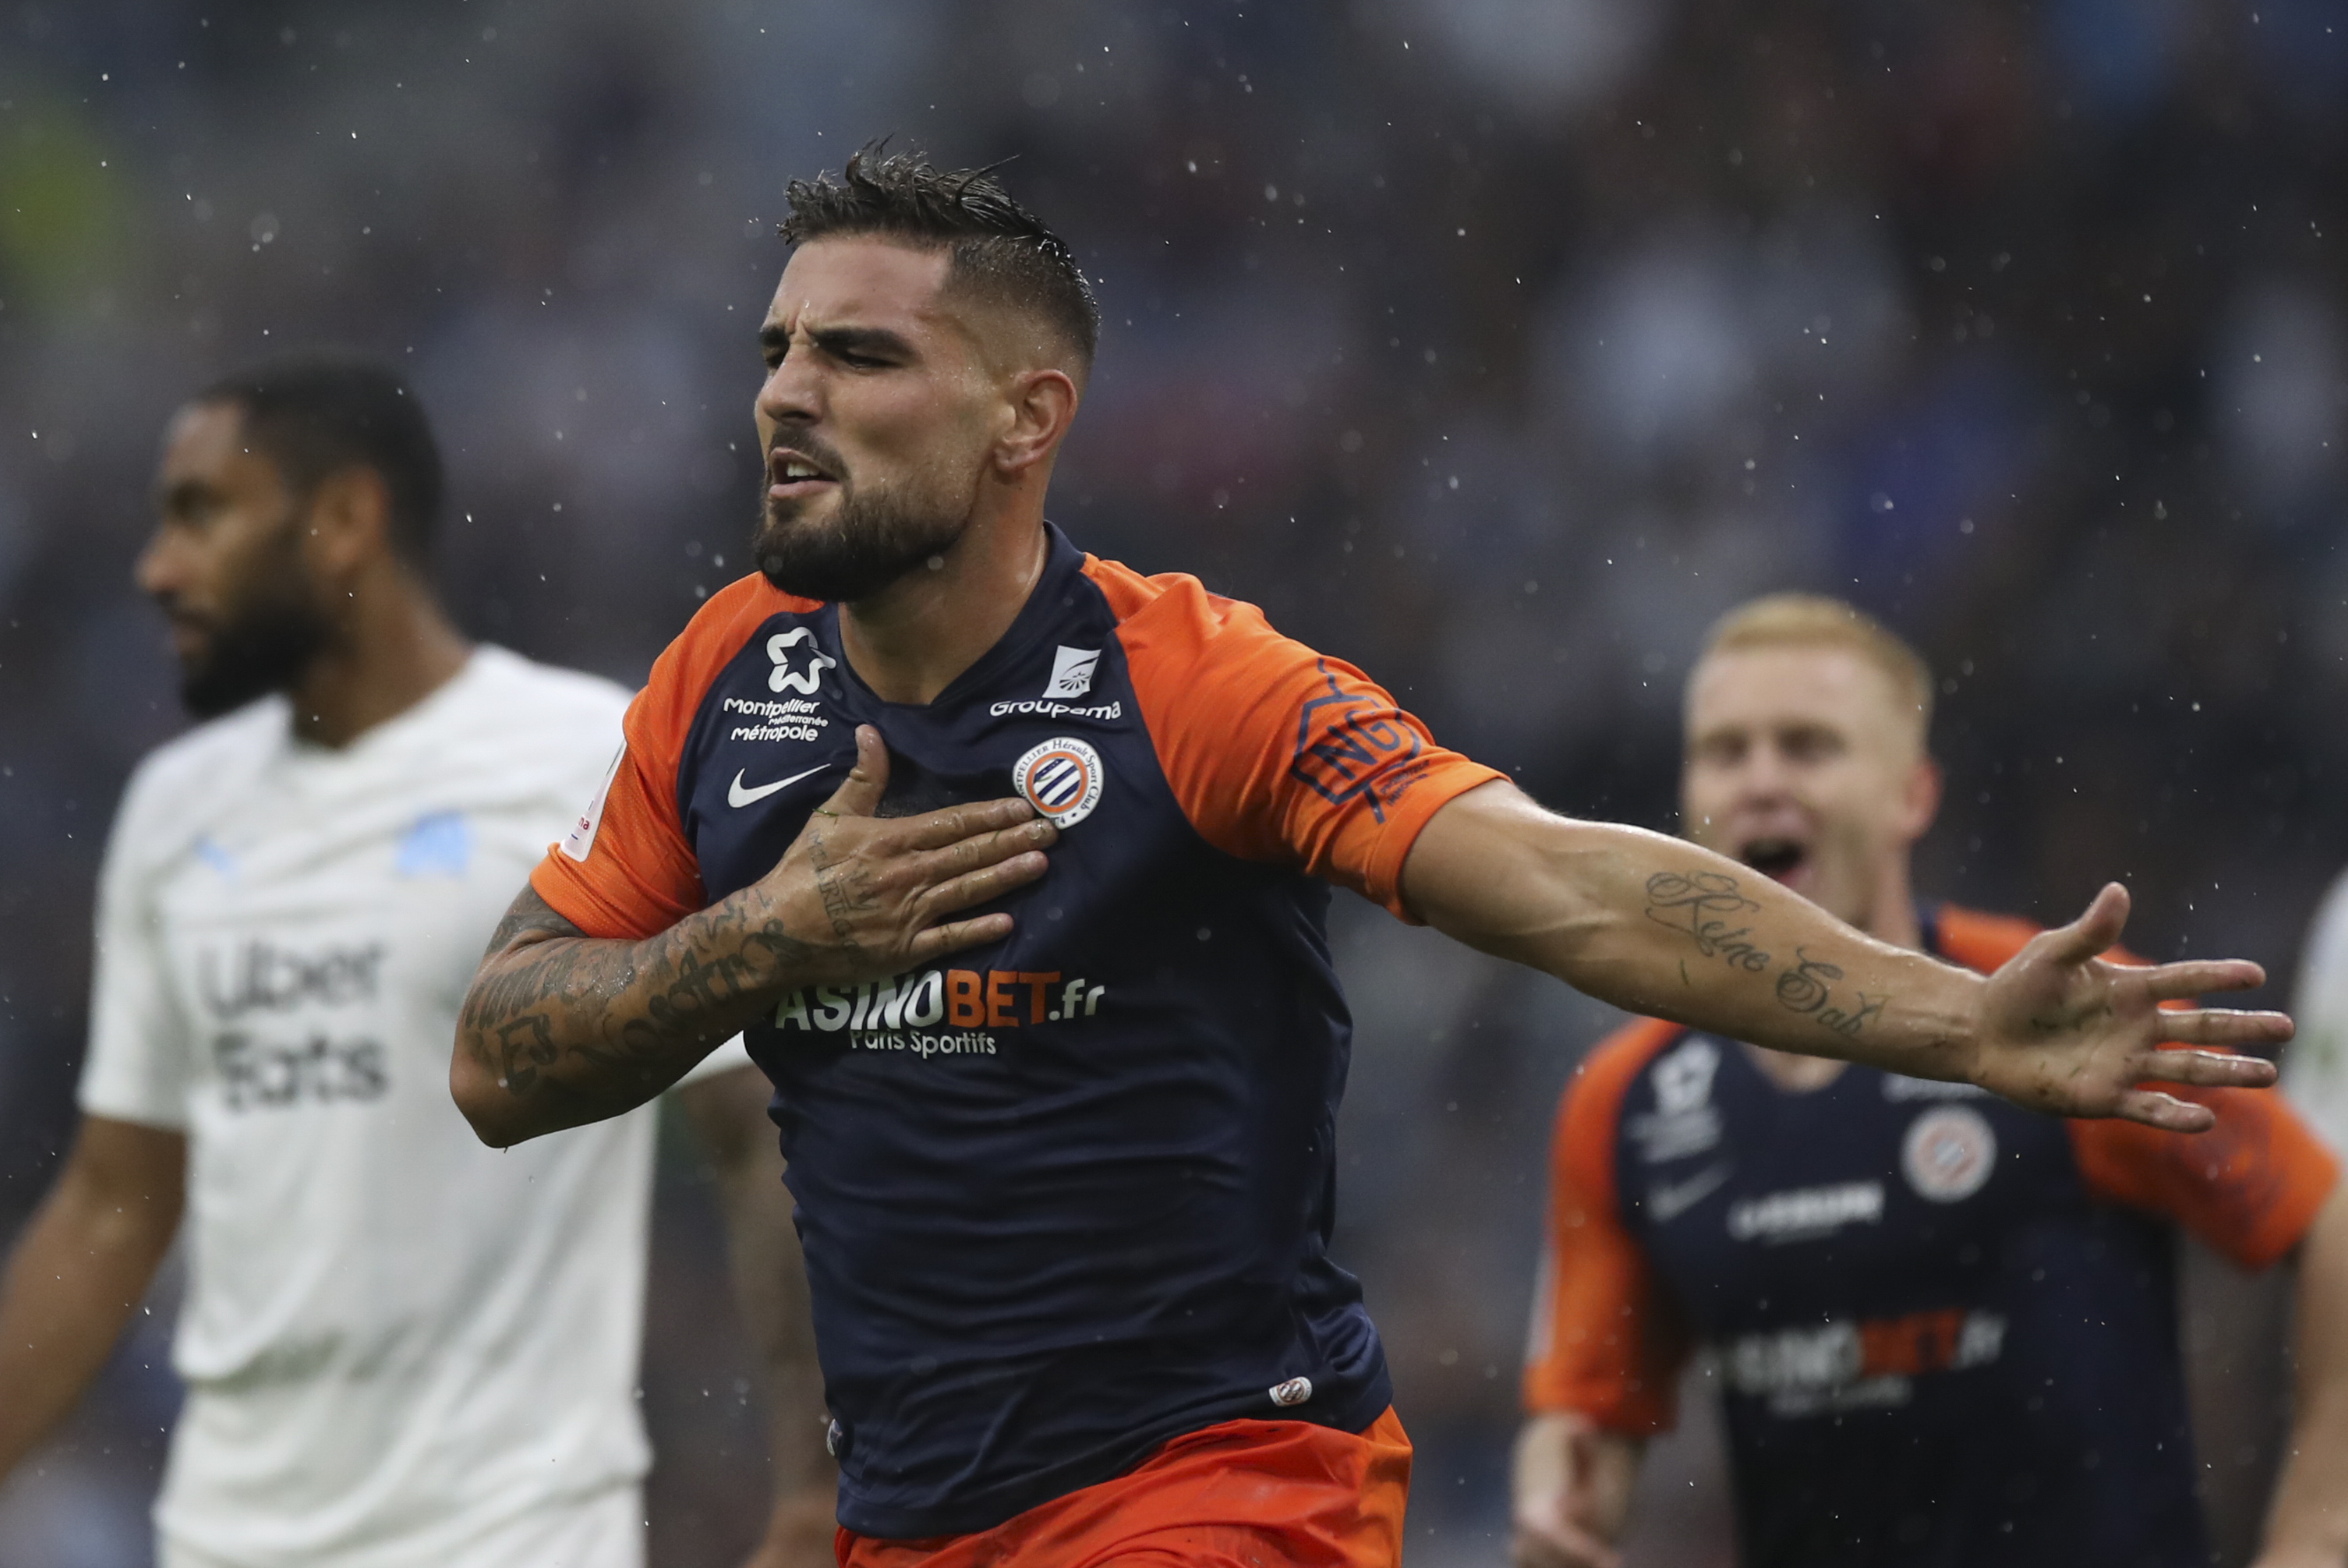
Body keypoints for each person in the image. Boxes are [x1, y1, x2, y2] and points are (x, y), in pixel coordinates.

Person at [449, 149, 2286, 1568]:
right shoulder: (727, 678)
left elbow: (1570, 882)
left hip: (1217, 1487)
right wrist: (763, 941)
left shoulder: (1197, 686)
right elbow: (500, 1056)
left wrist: (1960, 1024)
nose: (786, 391)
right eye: (774, 349)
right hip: (911, 1516)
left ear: (1027, 419)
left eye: (859, 354)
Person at [0, 356, 836, 1568]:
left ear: (342, 521)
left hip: (509, 1536)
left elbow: (751, 1131)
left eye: (201, 514)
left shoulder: (583, 756)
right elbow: (113, 1201)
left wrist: (816, 1492)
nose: (158, 568)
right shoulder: (178, 812)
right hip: (224, 1540)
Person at [1511, 593, 2348, 1568]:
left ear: (1912, 793)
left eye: (1808, 746)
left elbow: (2328, 1218)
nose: (1762, 782)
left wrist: (2318, 1532)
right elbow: (1584, 1416)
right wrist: (1556, 1501)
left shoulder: (2058, 1018)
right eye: (1726, 752)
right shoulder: (1629, 1103)